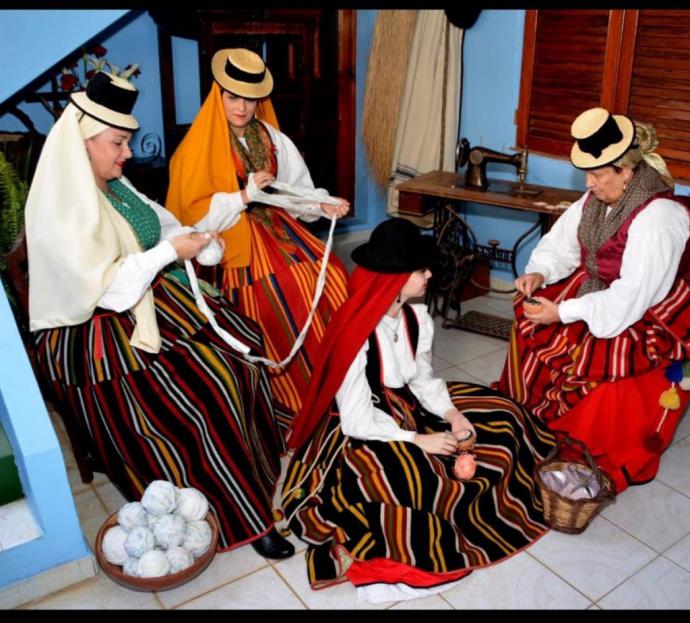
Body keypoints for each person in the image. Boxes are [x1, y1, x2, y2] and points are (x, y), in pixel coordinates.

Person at [25, 71, 294, 559]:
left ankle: (256, 471)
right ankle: (242, 516)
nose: (126, 154)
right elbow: (103, 292)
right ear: (84, 142)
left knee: (243, 341)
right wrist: (170, 251)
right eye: (118, 143)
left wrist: (198, 242)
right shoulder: (61, 207)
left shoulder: (116, 184)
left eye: (126, 142)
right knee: (206, 393)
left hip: (145, 303)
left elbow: (164, 224)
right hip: (97, 337)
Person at [281, 218, 556, 601]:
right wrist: (416, 439)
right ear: (393, 280)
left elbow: (423, 381)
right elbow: (358, 419)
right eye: (420, 269)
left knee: (505, 415)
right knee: (411, 477)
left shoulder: (416, 317)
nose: (429, 274)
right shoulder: (355, 332)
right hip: (363, 427)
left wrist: (451, 415)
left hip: (407, 408)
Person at [498, 107, 690, 494]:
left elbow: (632, 298)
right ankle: (533, 416)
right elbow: (562, 246)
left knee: (603, 357)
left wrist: (565, 312)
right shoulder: (597, 200)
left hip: (649, 301)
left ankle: (585, 445)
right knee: (527, 320)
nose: (588, 184)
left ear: (627, 171)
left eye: (598, 175)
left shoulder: (658, 218)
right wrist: (541, 273)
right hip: (608, 288)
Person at [166, 48, 350, 425]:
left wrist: (323, 206)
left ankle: (340, 389)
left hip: (279, 229)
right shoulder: (195, 148)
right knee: (284, 292)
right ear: (218, 94)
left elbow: (296, 191)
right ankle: (292, 401)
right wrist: (243, 196)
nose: (242, 107)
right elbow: (194, 218)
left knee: (330, 273)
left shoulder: (272, 138)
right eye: (233, 97)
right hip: (230, 243)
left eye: (250, 99)